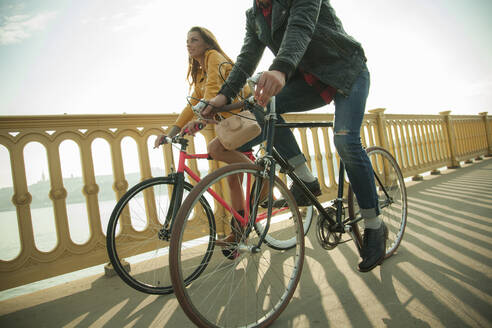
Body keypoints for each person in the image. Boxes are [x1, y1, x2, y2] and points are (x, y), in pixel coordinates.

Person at [202, 0, 387, 272]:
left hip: (347, 70)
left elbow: (300, 27)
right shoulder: (254, 16)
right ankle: (307, 181)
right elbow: (246, 58)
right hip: (309, 81)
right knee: (260, 107)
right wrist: (222, 97)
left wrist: (281, 67)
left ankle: (374, 225)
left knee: (345, 141)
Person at [154, 26, 252, 246]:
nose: (189, 44)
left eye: (194, 40)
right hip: (231, 126)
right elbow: (192, 105)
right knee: (232, 181)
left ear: (207, 43)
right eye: (187, 41)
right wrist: (171, 132)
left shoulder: (213, 57)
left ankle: (260, 176)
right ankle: (240, 233)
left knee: (216, 151)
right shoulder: (199, 71)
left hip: (248, 120)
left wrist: (200, 119)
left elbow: (212, 92)